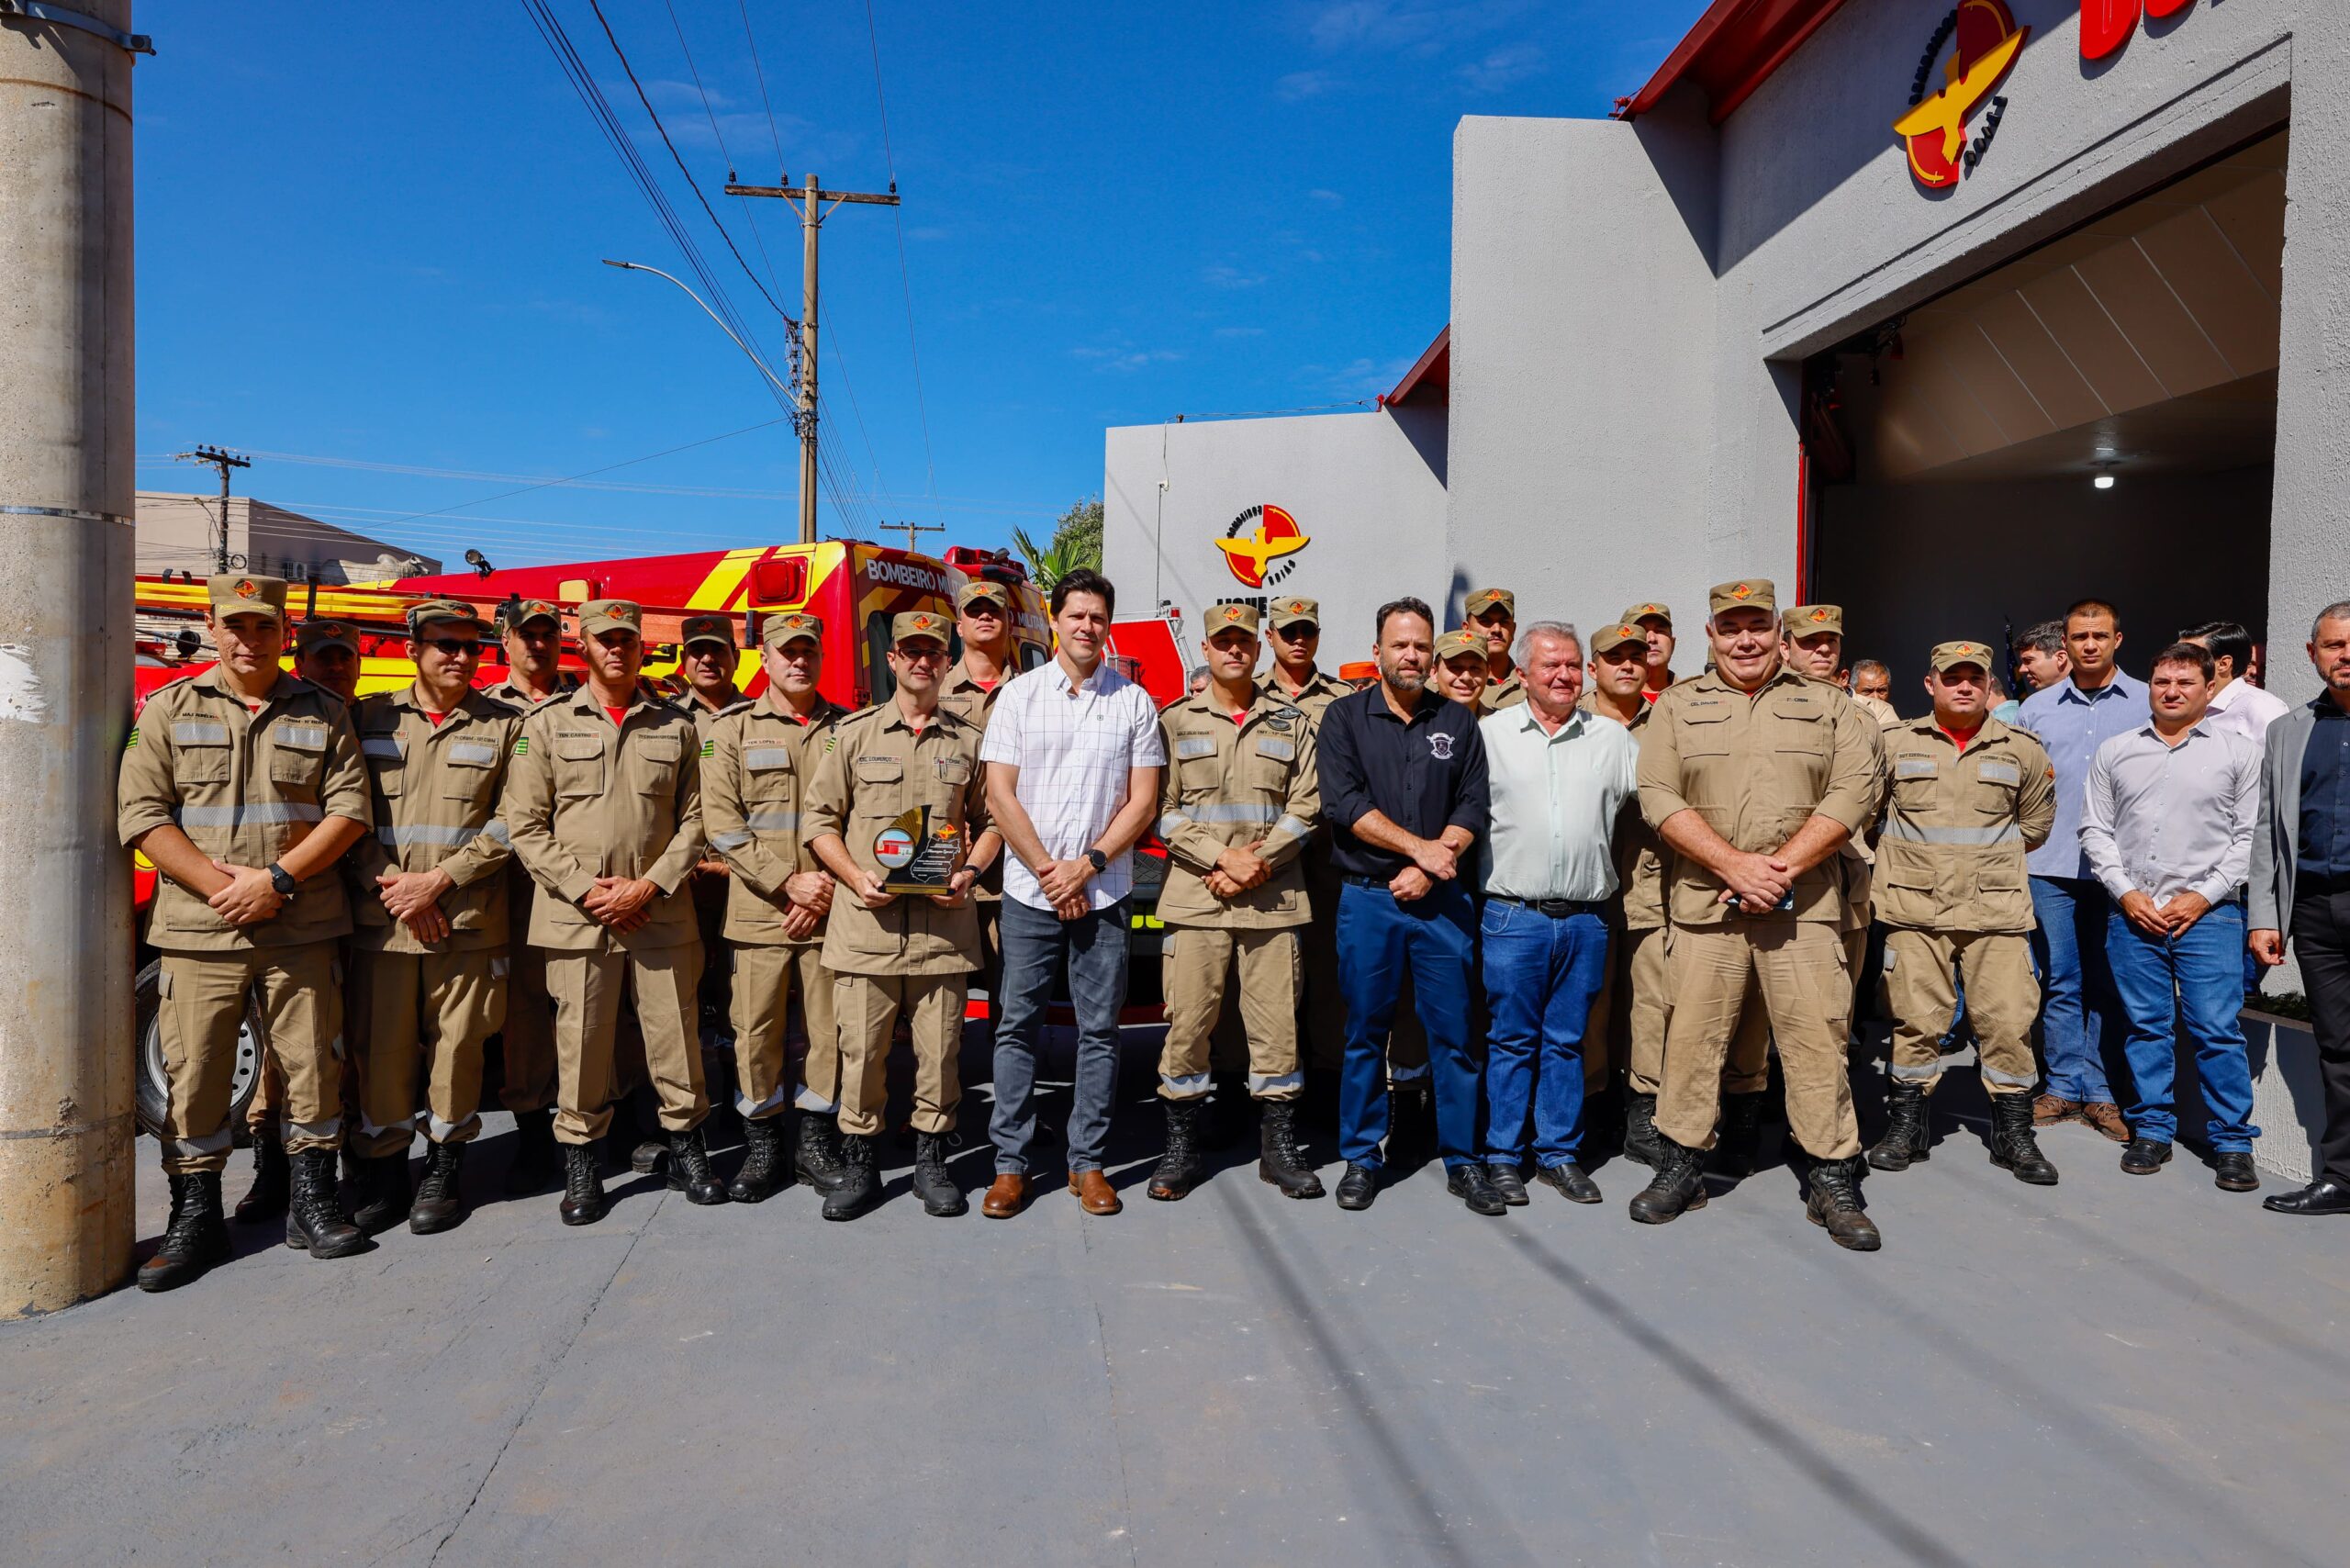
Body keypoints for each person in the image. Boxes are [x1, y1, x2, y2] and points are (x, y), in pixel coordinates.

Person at [119, 574, 374, 1291]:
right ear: (213, 625)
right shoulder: (169, 708)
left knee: (312, 1066)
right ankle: (196, 1218)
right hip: (201, 928)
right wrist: (221, 886)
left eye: (263, 626)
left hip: (300, 923)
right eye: (235, 624)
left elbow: (349, 811)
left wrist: (276, 881)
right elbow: (141, 815)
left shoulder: (324, 712)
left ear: (283, 633)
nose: (247, 638)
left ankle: (313, 1203)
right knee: (196, 1072)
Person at [1630, 578, 1886, 1250]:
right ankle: (1683, 1164)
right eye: (1730, 627)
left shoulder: (1827, 706)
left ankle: (1832, 1174)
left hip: (1803, 908)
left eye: (1758, 626)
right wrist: (1733, 865)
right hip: (1706, 904)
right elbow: (1655, 793)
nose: (1745, 640)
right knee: (1690, 1041)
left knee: (1816, 1042)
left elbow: (1855, 789)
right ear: (1710, 635)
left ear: (1779, 632)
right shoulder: (1679, 706)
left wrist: (1781, 869)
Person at [502, 598, 720, 1225]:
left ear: (641, 648)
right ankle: (583, 1164)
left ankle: (689, 1150)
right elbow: (526, 823)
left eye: (627, 639)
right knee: (582, 1043)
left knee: (675, 1038)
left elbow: (697, 819)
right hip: (578, 917)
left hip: (659, 913)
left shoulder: (674, 727)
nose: (617, 649)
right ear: (586, 648)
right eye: (605, 639)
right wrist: (585, 889)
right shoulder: (546, 725)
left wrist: (649, 886)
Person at [802, 610, 1002, 1220]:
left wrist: (969, 873)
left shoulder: (970, 743)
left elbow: (992, 821)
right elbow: (818, 821)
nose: (921, 661)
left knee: (940, 1054)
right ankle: (861, 1166)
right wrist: (852, 875)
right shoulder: (854, 736)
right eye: (910, 651)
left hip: (942, 930)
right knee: (861, 1053)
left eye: (932, 652)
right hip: (867, 930)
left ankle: (932, 1164)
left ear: (947, 662)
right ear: (892, 662)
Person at [980, 567, 1165, 1218]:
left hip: (1104, 892)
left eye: (1098, 617)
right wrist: (1048, 873)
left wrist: (1085, 867)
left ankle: (1088, 1164)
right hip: (1030, 895)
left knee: (1099, 1032)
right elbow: (998, 794)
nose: (1088, 626)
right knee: (1016, 1028)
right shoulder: (1019, 697)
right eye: (1076, 615)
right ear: (1054, 620)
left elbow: (1144, 803)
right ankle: (1010, 1166)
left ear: (1107, 624)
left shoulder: (1134, 703)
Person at [341, 599, 521, 1236]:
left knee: (460, 1051)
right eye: (446, 644)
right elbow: (343, 812)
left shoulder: (505, 725)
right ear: (415, 648)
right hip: (384, 920)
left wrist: (440, 883)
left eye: (471, 647)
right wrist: (395, 888)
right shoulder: (368, 718)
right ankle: (385, 1174)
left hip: (465, 920)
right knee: (380, 1054)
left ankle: (444, 1168)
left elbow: (513, 821)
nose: (460, 657)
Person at [1315, 596, 1494, 1214]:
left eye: (1421, 645)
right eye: (1400, 645)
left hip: (1442, 902)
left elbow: (1473, 807)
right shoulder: (1344, 719)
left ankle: (1464, 1161)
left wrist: (1434, 862)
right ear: (1378, 652)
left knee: (1455, 1036)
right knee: (1366, 1032)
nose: (1412, 655)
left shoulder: (1459, 722)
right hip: (1369, 903)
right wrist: (1420, 850)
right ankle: (1363, 1158)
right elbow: (1344, 803)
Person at [1144, 602, 1323, 1202]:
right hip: (1198, 900)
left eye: (1244, 640)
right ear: (1206, 646)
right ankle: (1181, 1148)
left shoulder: (1290, 722)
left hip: (1272, 901)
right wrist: (1222, 859)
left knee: (1277, 1031)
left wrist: (1258, 863)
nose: (1234, 650)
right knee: (1189, 1027)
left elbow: (1308, 807)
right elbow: (1159, 811)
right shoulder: (1174, 722)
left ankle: (1278, 1150)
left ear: (1257, 646)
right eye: (1223, 640)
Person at [1866, 642, 2059, 1184]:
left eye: (1975, 677)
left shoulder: (2022, 748)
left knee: (2007, 1022)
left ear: (1989, 685)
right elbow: (1868, 817)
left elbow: (2036, 827)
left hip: (1994, 910)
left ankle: (2013, 1135)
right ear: (1931, 685)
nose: (1965, 686)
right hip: (1914, 907)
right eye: (1953, 678)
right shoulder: (1893, 744)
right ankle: (1907, 1127)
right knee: (1915, 1022)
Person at [2082, 642, 2264, 1190]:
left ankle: (2232, 1143)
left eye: (2185, 683)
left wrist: (2204, 895)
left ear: (2209, 689)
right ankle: (2153, 1131)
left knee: (2215, 1029)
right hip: (2134, 915)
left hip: (2208, 918)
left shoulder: (2238, 752)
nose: (2171, 691)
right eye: (2162, 681)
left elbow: (2249, 837)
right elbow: (2096, 831)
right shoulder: (2116, 751)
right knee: (2145, 1027)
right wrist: (2125, 893)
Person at [1479, 621, 1635, 1204]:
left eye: (1572, 665)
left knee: (1568, 1041)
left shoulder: (1612, 740)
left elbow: (1657, 802)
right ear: (1522, 675)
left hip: (1586, 920)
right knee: (1511, 1040)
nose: (1565, 675)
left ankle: (1558, 1155)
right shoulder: (1489, 736)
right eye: (1551, 666)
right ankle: (1502, 1156)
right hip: (1512, 917)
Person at [699, 612, 850, 1204]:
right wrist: (789, 882)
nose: (799, 662)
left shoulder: (848, 729)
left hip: (831, 912)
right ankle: (762, 1144)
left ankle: (815, 1143)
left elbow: (861, 822)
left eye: (809, 652)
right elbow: (723, 825)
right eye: (787, 652)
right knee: (753, 1032)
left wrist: (825, 888)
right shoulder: (731, 730)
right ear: (764, 659)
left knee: (826, 1032)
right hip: (760, 911)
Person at [2017, 599, 2146, 1141]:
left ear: (2119, 639)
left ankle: (2102, 1092)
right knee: (2063, 978)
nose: (2089, 644)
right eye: (2079, 637)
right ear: (2064, 647)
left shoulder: (2147, 701)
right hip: (2050, 866)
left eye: (2099, 635)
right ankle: (2064, 1085)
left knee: (2111, 979)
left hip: (2124, 871)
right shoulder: (2037, 709)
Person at [2250, 600, 2350, 1215]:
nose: (2346, 656)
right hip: (2315, 912)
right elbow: (2267, 831)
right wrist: (2265, 913)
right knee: (2338, 1048)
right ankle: (2343, 1176)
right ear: (2313, 654)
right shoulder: (2288, 731)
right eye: (2334, 646)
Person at [481, 598, 572, 1194]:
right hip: (512, 887)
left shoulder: (588, 704)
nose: (537, 644)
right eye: (525, 635)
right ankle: (533, 1130)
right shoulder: (486, 711)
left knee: (599, 1010)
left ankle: (603, 1118)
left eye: (546, 634)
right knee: (524, 1016)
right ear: (504, 642)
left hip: (583, 888)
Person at [1262, 595, 1353, 1107]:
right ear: (1270, 636)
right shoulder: (1248, 696)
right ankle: (1257, 1090)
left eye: (1308, 631)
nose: (1299, 640)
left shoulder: (1343, 700)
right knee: (1265, 983)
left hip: (1325, 859)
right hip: (1266, 859)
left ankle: (1324, 1087)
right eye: (1288, 631)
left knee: (1325, 976)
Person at [941, 578, 1022, 1033]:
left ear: (1009, 622)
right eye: (975, 610)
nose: (985, 616)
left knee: (1010, 997)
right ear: (960, 623)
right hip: (946, 868)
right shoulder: (934, 689)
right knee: (939, 998)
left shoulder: (1034, 692)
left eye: (995, 609)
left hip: (1015, 871)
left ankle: (1008, 1095)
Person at [2182, 620, 2289, 749]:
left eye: (2188, 658)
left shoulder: (2261, 707)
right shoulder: (2180, 703)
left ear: (2223, 664)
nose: (2176, 665)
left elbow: (2279, 765)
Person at [1997, 620, 2069, 726]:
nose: (2022, 670)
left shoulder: (2100, 700)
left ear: (2060, 658)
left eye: (2028, 660)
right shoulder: (2030, 710)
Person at [1464, 587, 1524, 711]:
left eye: (1504, 622)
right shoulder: (1446, 685)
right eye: (1485, 621)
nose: (1496, 629)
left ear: (1513, 629)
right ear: (1466, 629)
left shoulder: (1532, 685)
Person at [293, 618, 363, 705]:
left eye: (345, 658)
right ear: (299, 666)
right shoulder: (279, 715)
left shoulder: (379, 716)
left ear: (358, 666)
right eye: (324, 658)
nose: (337, 667)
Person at [1620, 600, 1677, 699]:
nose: (1652, 639)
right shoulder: (1600, 702)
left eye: (1660, 631)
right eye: (1642, 631)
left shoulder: (1693, 697)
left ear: (1672, 644)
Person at [1434, 627, 1491, 708]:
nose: (1466, 677)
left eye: (1475, 668)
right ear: (1434, 672)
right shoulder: (1418, 719)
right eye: (1455, 668)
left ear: (1487, 673)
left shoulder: (1498, 720)